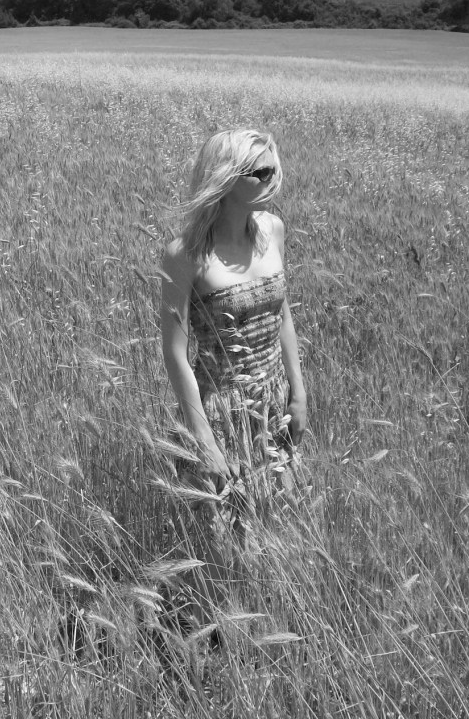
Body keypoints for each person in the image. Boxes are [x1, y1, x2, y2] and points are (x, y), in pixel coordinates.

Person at [158, 128, 309, 634]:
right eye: (260, 172)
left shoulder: (272, 230)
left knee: (279, 520)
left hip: (272, 403)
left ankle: (268, 628)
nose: (274, 179)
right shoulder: (185, 254)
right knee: (229, 541)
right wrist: (204, 439)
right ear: (227, 179)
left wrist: (299, 390)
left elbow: (283, 312)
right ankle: (221, 635)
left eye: (274, 168)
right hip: (222, 408)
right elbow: (175, 354)